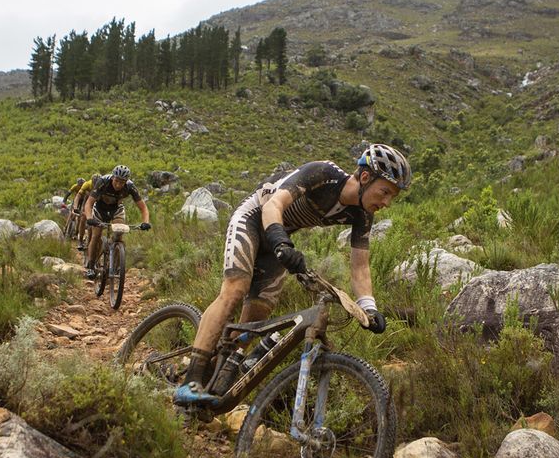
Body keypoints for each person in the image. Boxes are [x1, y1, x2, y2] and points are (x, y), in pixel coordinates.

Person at [173, 143, 411, 406]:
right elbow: (274, 204)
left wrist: (369, 308)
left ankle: (217, 372)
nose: (387, 202)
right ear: (365, 177)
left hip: (280, 240)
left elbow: (360, 266)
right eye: (385, 192)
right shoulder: (323, 173)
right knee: (235, 290)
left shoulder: (362, 215)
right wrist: (280, 242)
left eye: (393, 197)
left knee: (256, 316)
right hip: (254, 218)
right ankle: (190, 382)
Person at [84, 165, 151, 277]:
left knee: (119, 234)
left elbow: (143, 208)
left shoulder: (130, 186)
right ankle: (91, 266)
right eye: (117, 181)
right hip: (100, 208)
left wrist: (146, 222)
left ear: (126, 181)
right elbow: (89, 203)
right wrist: (89, 218)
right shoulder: (103, 181)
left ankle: (115, 262)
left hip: (116, 209)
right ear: (112, 178)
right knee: (96, 235)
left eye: (122, 182)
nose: (119, 185)